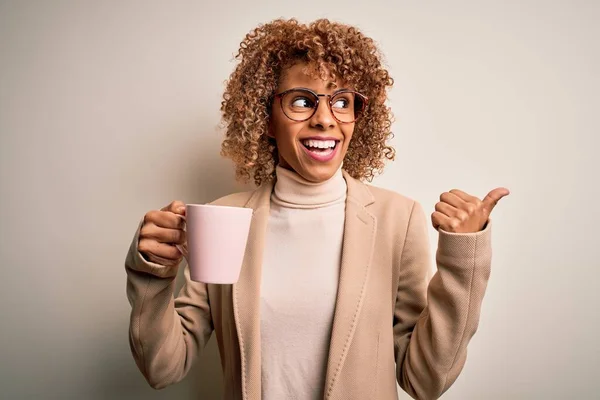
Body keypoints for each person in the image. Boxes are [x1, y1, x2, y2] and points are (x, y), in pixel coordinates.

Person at [124, 18, 509, 400]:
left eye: (342, 101)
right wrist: (153, 275)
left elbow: (425, 381)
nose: (325, 119)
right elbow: (163, 367)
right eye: (303, 101)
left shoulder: (397, 219)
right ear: (267, 120)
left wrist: (463, 261)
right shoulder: (223, 220)